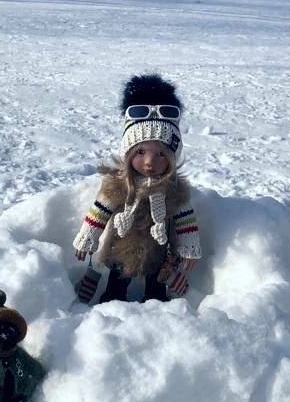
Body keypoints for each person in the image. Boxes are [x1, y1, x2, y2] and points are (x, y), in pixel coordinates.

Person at [73, 73, 202, 303]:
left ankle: (156, 309)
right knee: (116, 283)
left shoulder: (173, 189)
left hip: (159, 250)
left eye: (161, 154)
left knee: (157, 287)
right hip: (121, 246)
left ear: (172, 158)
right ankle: (111, 304)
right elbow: (100, 211)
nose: (150, 161)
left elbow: (185, 218)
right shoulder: (119, 185)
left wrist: (190, 246)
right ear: (128, 153)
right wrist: (87, 238)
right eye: (141, 152)